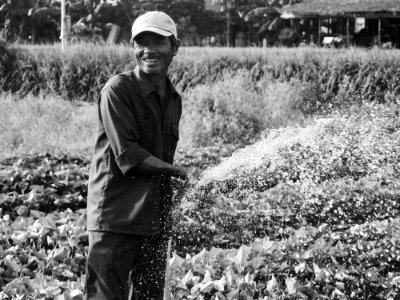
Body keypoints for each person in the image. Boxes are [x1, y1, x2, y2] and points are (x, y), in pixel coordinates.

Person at [84, 11, 188, 300]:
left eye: (158, 42)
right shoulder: (118, 90)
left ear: (174, 47)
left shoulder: (173, 99)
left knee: (149, 296)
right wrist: (178, 171)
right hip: (116, 217)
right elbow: (129, 154)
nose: (148, 50)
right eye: (141, 43)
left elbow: (163, 155)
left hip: (154, 221)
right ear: (133, 47)